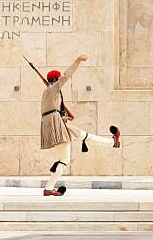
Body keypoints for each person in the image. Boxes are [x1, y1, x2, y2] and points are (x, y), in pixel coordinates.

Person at [40, 55, 121, 196]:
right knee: (64, 160)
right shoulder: (53, 90)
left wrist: (65, 116)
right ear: (56, 80)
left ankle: (112, 141)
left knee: (83, 135)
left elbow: (54, 114)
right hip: (57, 126)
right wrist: (77, 61)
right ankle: (48, 188)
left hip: (57, 124)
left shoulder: (48, 94)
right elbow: (66, 75)